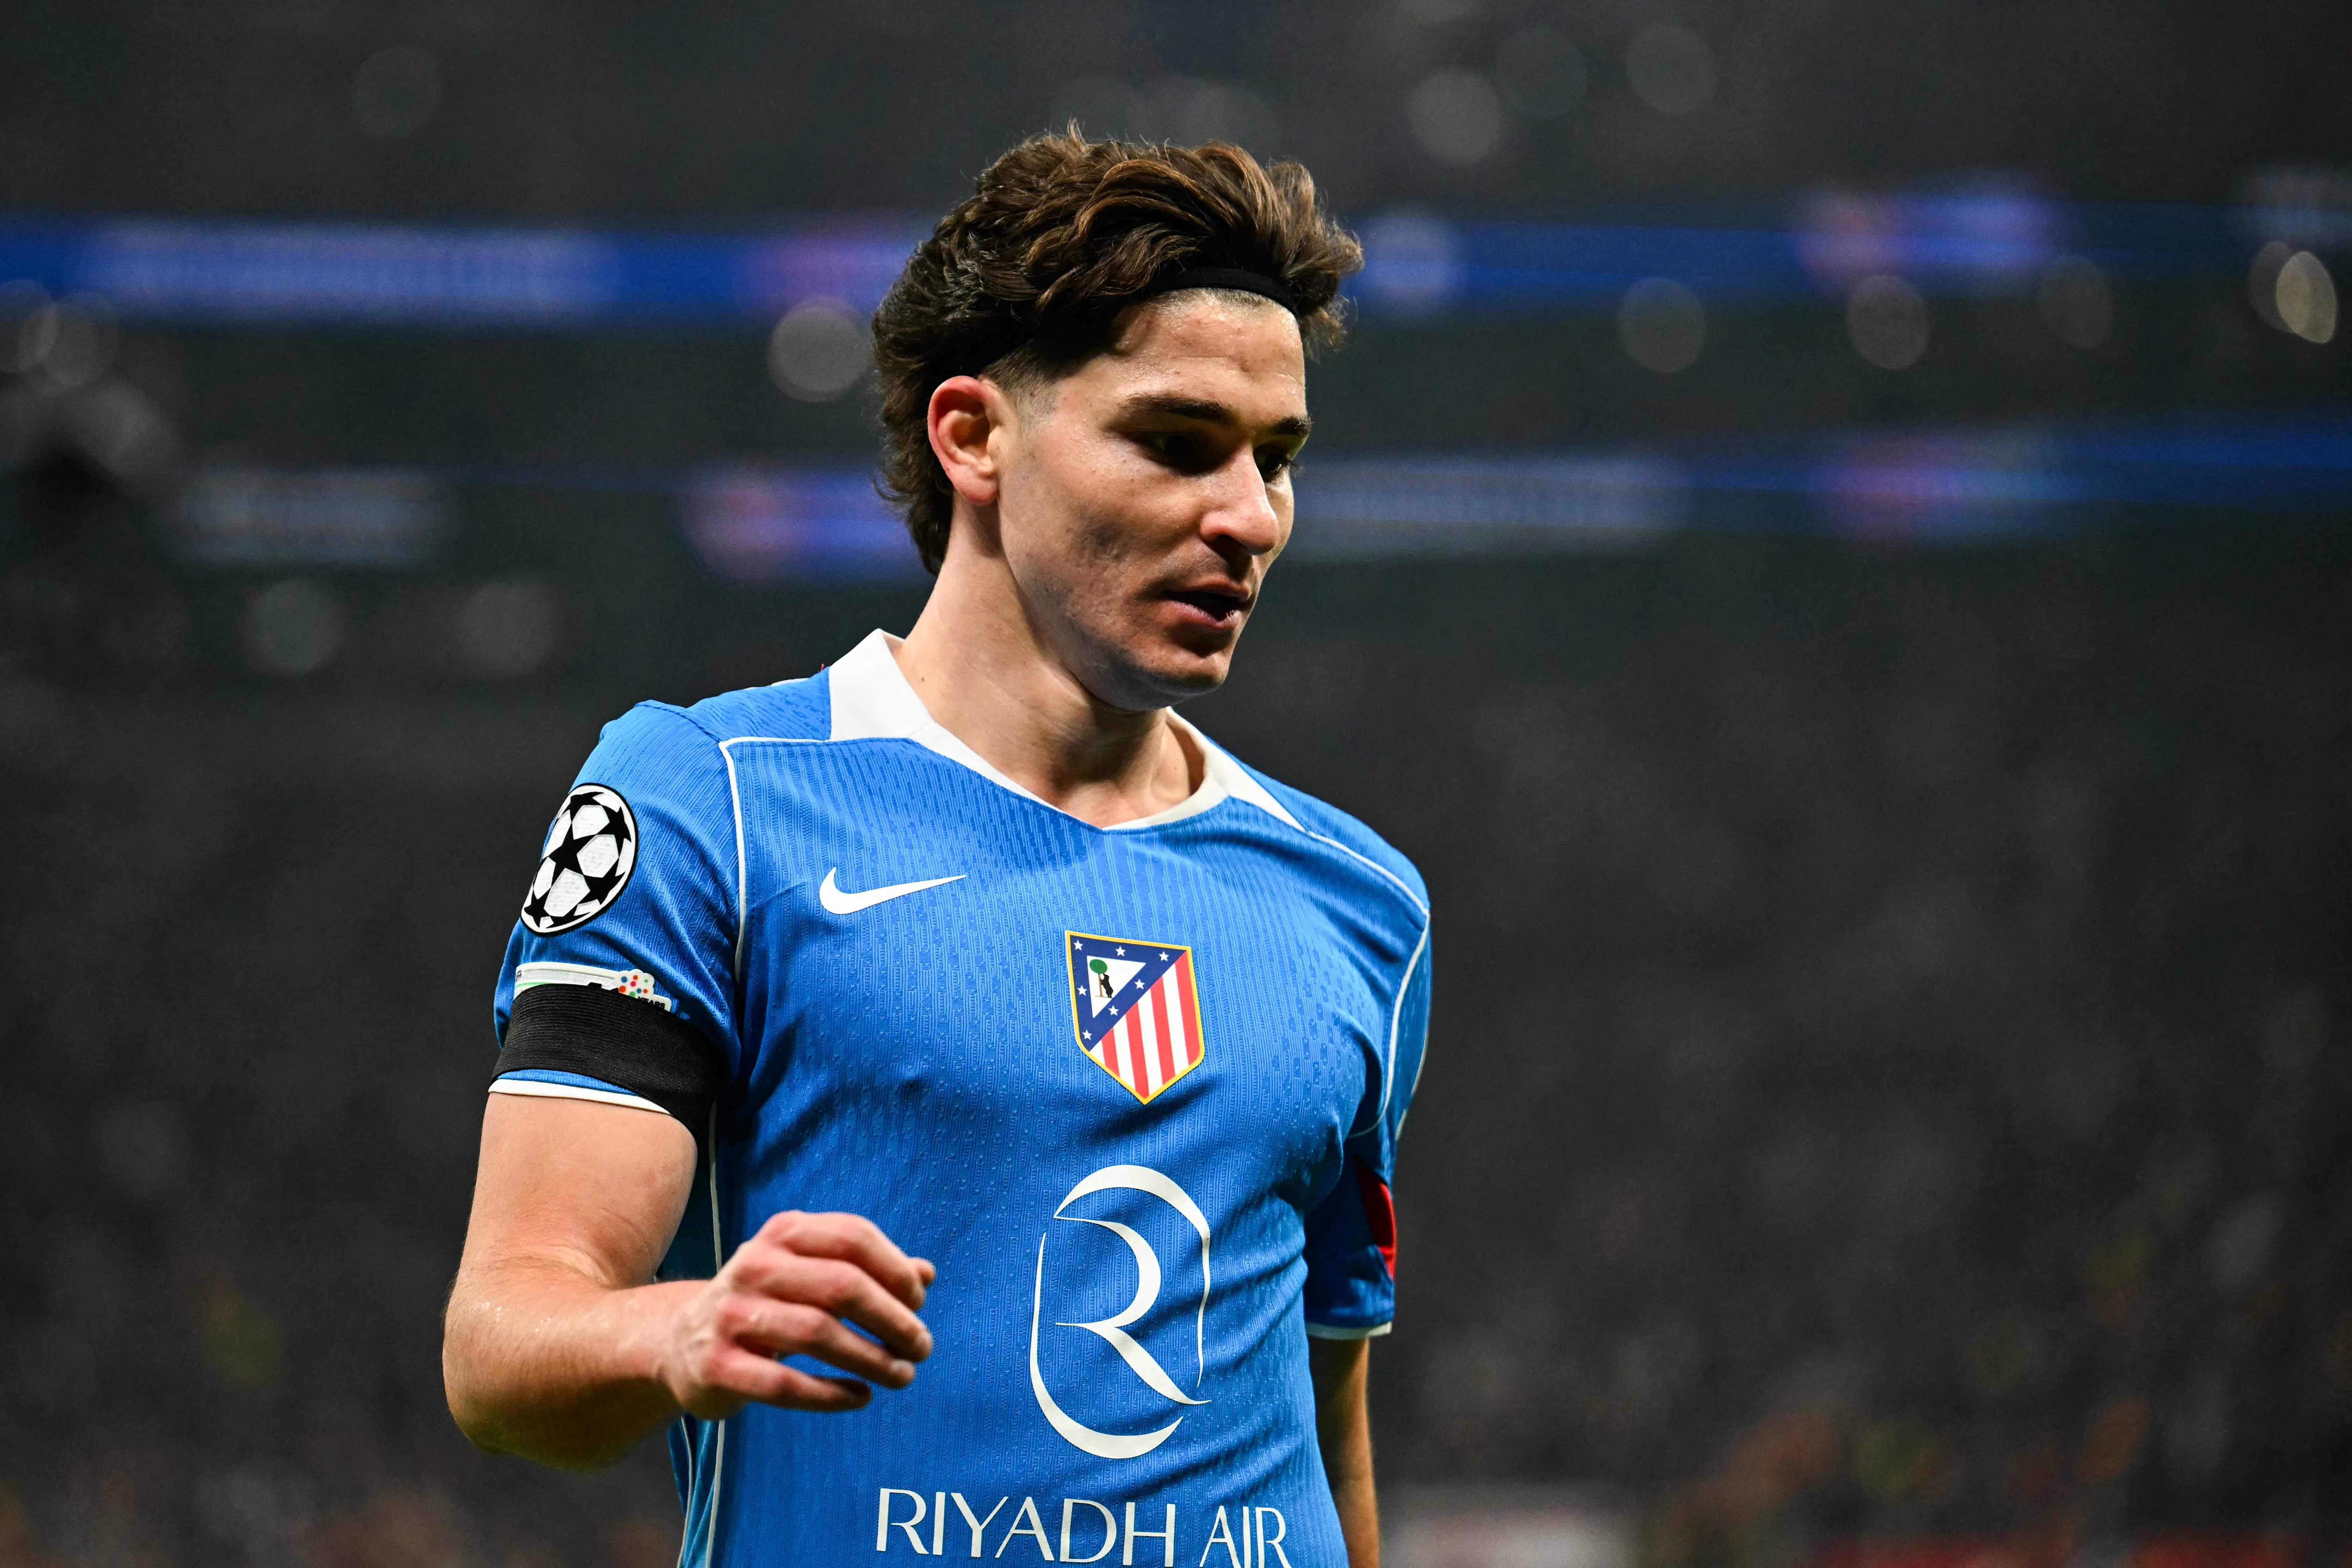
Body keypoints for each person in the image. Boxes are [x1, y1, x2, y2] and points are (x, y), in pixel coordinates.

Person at [442, 130, 1432, 1568]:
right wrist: (679, 1323)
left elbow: (1325, 1417)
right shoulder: (709, 798)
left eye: (1276, 459)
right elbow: (503, 1340)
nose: (1249, 518)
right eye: (1176, 443)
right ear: (974, 435)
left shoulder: (1359, 899)